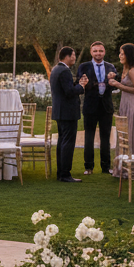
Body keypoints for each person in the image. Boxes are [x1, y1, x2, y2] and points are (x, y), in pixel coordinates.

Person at [108, 43, 134, 176]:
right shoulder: (126, 69)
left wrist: (118, 84)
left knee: (132, 133)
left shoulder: (133, 70)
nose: (120, 55)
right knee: (126, 135)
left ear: (129, 55)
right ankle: (124, 166)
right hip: (126, 104)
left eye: (122, 53)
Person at [76, 41, 117, 177]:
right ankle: (88, 167)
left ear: (104, 52)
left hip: (106, 107)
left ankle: (106, 167)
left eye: (100, 51)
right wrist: (86, 83)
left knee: (106, 138)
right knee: (89, 137)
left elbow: (116, 85)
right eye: (95, 51)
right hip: (90, 106)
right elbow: (79, 83)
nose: (98, 53)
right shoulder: (84, 66)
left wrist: (113, 80)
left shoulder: (110, 66)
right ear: (91, 52)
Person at [50, 46, 88, 183]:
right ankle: (65, 174)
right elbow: (69, 92)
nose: (74, 57)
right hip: (67, 112)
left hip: (60, 112)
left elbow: (66, 89)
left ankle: (61, 173)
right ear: (67, 56)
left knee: (62, 142)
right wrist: (81, 85)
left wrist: (77, 84)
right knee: (68, 142)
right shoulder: (64, 71)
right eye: (73, 55)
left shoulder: (55, 69)